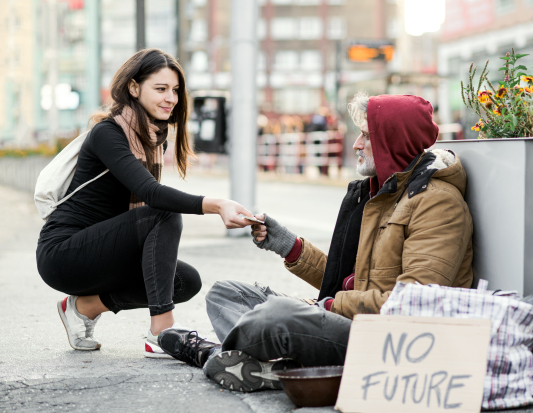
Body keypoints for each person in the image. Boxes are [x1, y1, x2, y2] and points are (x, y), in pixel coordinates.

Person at [158, 92, 474, 392]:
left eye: (366, 135)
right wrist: (288, 246)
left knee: (276, 315)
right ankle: (275, 367)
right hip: (348, 319)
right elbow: (347, 280)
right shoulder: (382, 194)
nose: (356, 144)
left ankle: (212, 354)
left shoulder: (437, 203)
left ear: (394, 141)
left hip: (387, 340)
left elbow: (415, 303)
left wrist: (328, 306)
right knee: (224, 294)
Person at [36, 49, 252, 357]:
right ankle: (161, 332)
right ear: (134, 88)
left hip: (105, 251)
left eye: (175, 90)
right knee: (162, 214)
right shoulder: (107, 133)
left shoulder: (153, 138)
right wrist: (216, 205)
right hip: (64, 254)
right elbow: (150, 194)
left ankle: (83, 308)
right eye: (161, 89)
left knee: (184, 281)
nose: (171, 98)